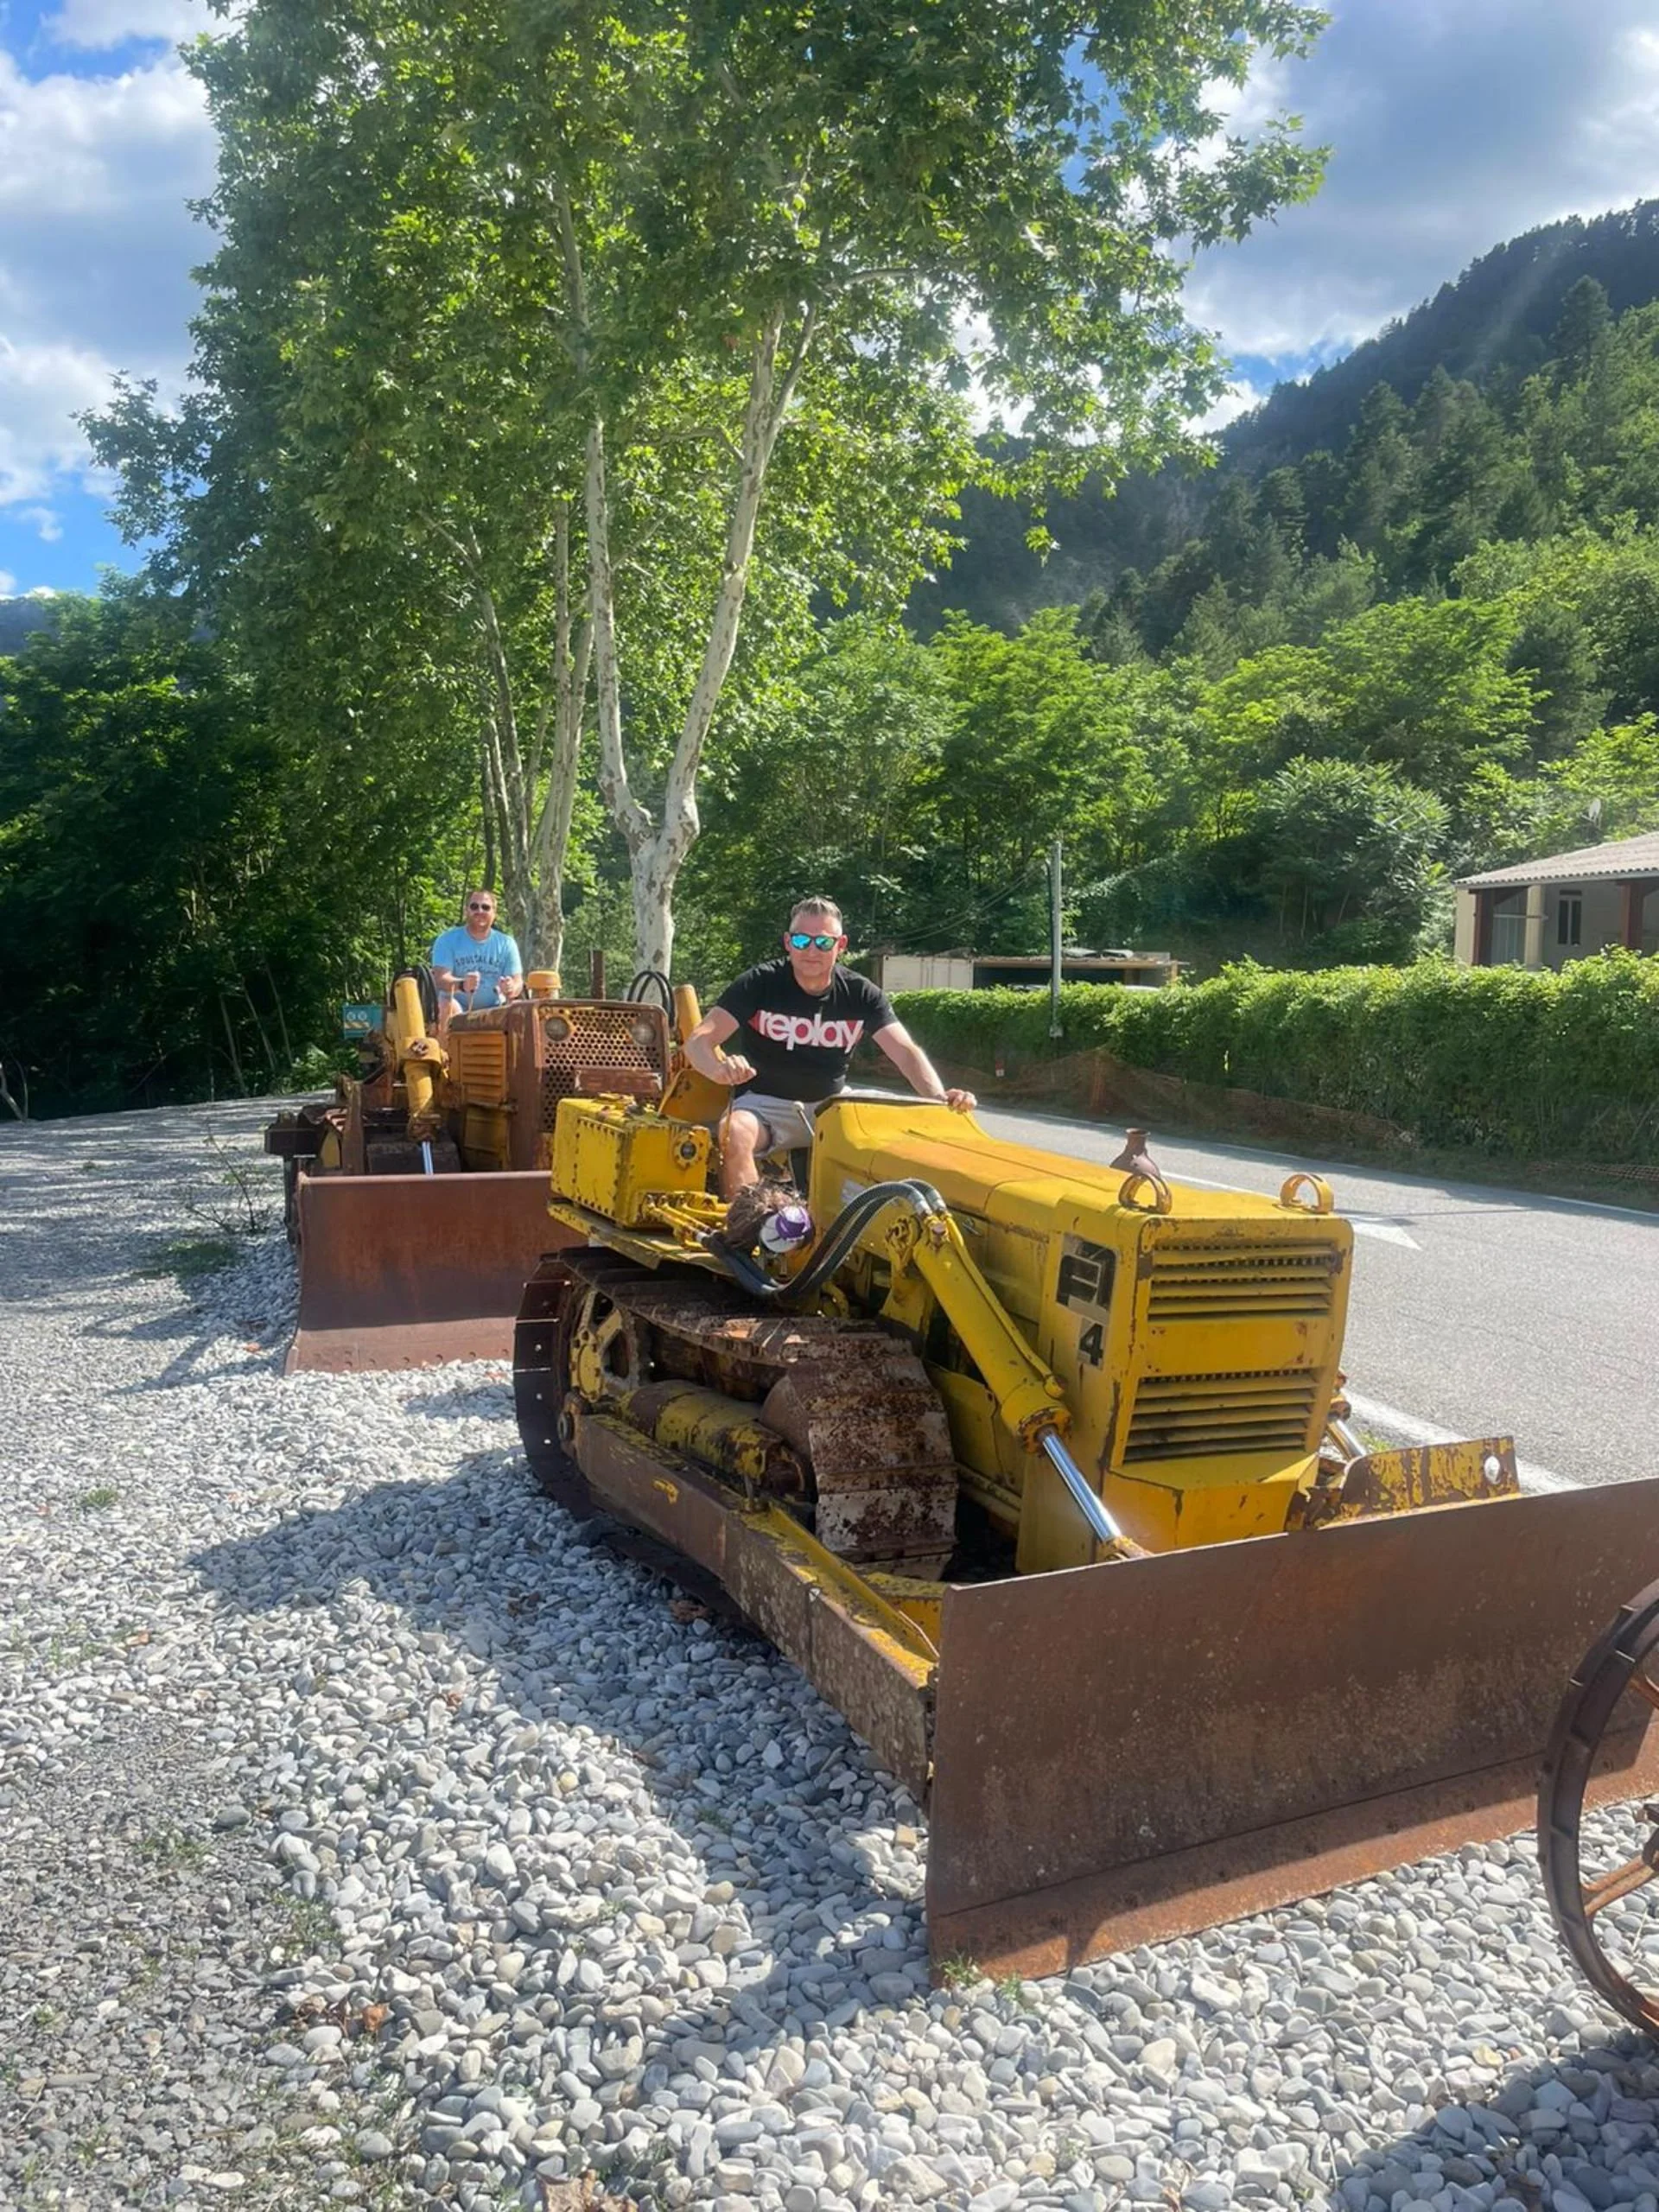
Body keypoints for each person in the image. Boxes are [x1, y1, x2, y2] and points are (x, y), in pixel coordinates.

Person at [683, 895, 976, 1197]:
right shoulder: (758, 983)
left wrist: (939, 1098)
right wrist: (720, 1070)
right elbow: (698, 1042)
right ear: (788, 942)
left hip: (833, 1107)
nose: (812, 950)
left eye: (824, 942)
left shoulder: (861, 993)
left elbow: (905, 1051)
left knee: (906, 1131)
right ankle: (751, 1221)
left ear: (841, 944)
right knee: (733, 1133)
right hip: (764, 1106)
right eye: (802, 940)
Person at [429, 891, 524, 1026]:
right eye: (474, 907)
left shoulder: (507, 943)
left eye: (486, 907)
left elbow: (518, 982)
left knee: (521, 1011)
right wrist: (462, 984)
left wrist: (510, 987)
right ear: (466, 911)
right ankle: (446, 1040)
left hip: (496, 1009)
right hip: (456, 1008)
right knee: (446, 1005)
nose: (480, 911)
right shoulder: (447, 940)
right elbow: (440, 979)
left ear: (494, 913)